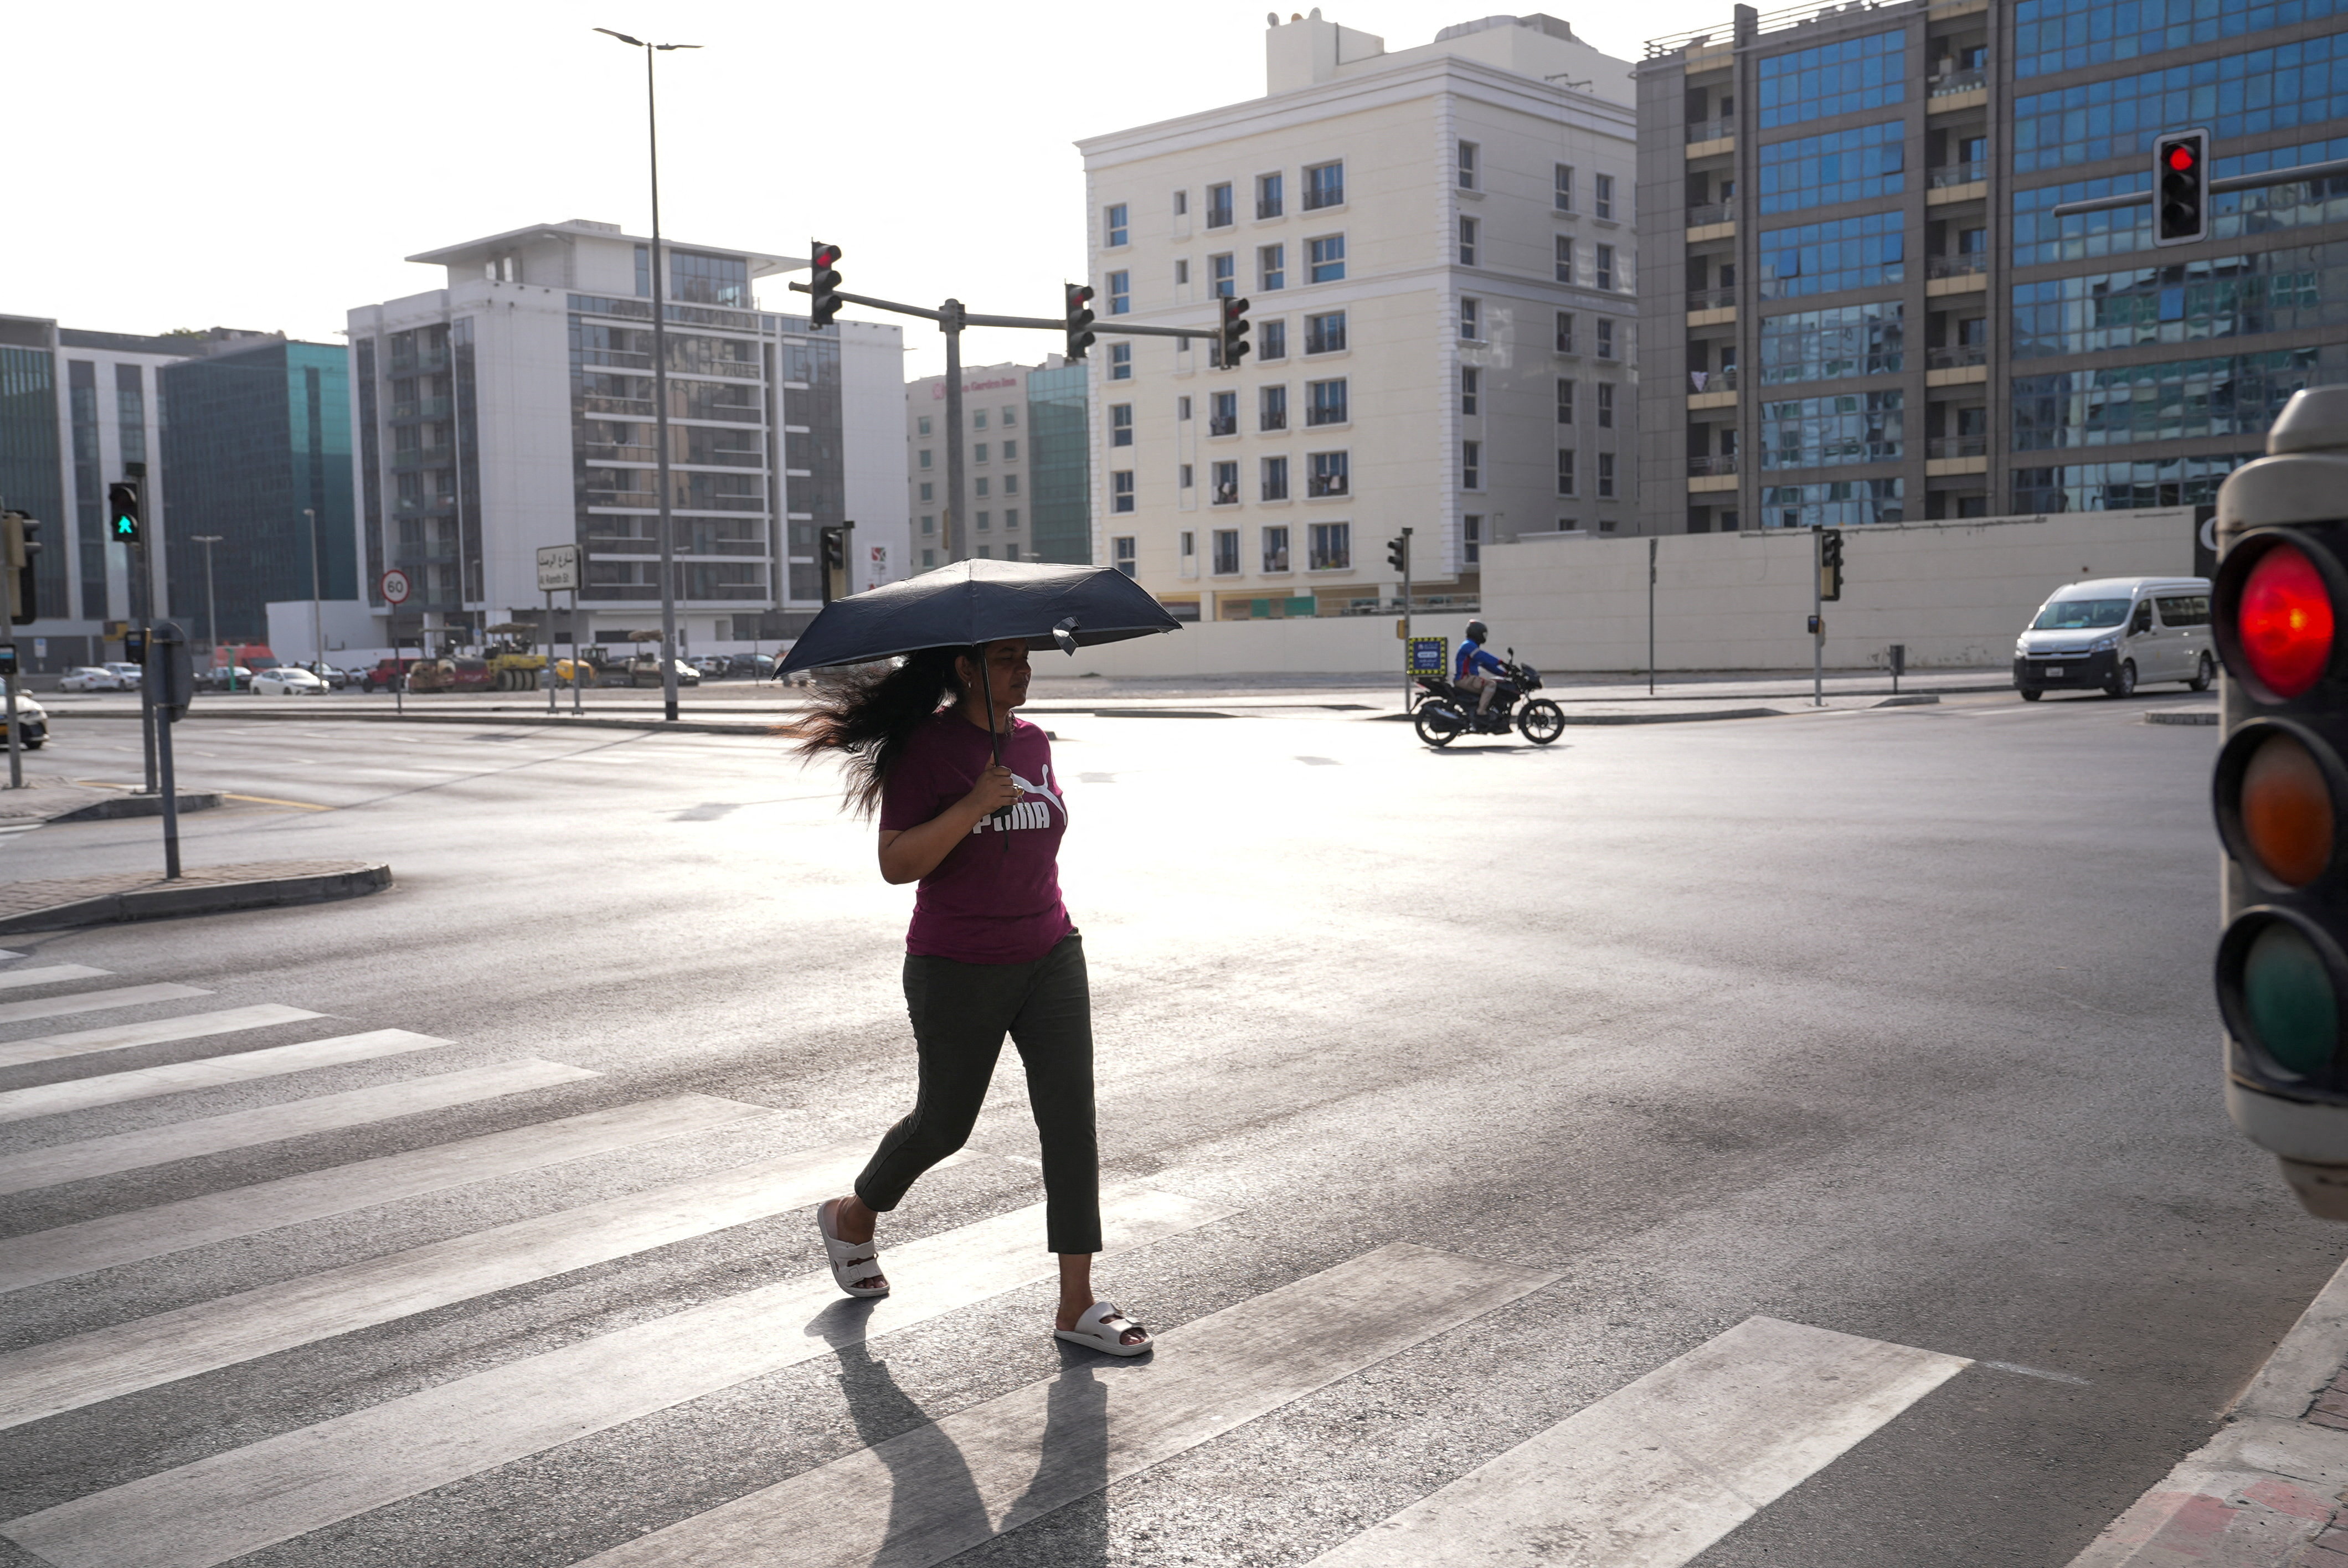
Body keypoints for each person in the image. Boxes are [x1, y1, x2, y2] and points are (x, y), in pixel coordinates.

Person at [784, 638, 1151, 1356]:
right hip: (957, 964)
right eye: (1009, 657)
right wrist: (975, 802)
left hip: (1050, 951)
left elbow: (1036, 841)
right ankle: (855, 1214)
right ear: (965, 666)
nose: (1025, 670)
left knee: (1071, 1121)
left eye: (1026, 656)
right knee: (944, 1126)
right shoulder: (928, 748)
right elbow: (896, 863)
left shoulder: (1035, 741)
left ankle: (1076, 1303)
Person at [1454, 620, 1512, 724]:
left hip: (1468, 679)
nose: (1484, 637)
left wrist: (1505, 674)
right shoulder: (1469, 645)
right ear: (1477, 633)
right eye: (1484, 634)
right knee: (1491, 685)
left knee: (1497, 683)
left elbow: (1487, 665)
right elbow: (1483, 656)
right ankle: (1481, 711)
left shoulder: (1472, 647)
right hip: (1465, 679)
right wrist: (1501, 662)